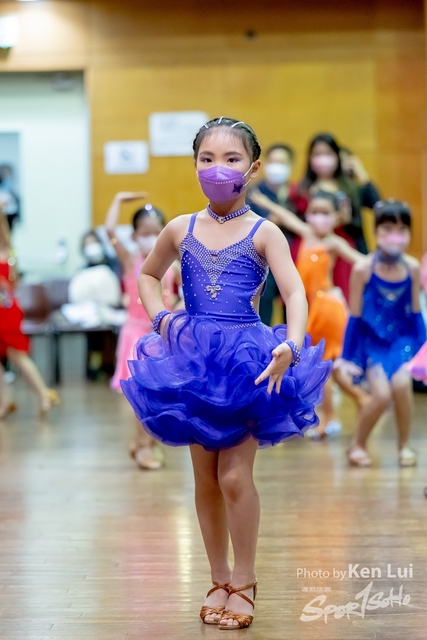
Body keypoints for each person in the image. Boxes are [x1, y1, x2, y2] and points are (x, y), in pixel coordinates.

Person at [121, 117, 331, 629]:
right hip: (193, 361)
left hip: (247, 362)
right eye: (207, 159)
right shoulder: (180, 228)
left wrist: (292, 344)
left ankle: (245, 578)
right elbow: (148, 275)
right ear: (195, 164)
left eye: (231, 159)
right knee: (206, 479)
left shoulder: (265, 231)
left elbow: (294, 292)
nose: (218, 169)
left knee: (234, 476)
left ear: (252, 168)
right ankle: (217, 578)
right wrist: (162, 318)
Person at [250, 188, 367, 438]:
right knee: (330, 367)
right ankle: (361, 399)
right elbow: (286, 217)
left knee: (322, 364)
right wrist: (265, 201)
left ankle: (329, 418)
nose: (318, 218)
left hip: (328, 307)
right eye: (314, 212)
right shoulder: (306, 233)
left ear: (336, 217)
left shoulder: (333, 243)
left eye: (325, 213)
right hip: (314, 307)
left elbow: (360, 260)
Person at [337, 200, 426, 467]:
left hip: (401, 341)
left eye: (402, 230)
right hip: (372, 342)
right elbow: (354, 317)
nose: (395, 236)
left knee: (402, 386)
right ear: (376, 231)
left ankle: (404, 445)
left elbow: (415, 314)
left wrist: (423, 351)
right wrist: (347, 358)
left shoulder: (412, 268)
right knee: (382, 395)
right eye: (388, 229)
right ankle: (357, 444)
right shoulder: (363, 269)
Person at [105, 193, 180, 470]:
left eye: (156, 232)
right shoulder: (130, 261)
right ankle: (144, 446)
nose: (150, 238)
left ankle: (144, 443)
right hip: (136, 336)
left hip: (163, 335)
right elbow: (110, 230)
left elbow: (186, 293)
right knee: (143, 395)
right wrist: (118, 199)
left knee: (161, 395)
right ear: (135, 236)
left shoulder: (173, 265)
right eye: (145, 233)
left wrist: (177, 309)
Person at [290, 133, 375, 300]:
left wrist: (344, 218)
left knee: (343, 296)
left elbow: (372, 207)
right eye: (318, 154)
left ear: (337, 156)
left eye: (328, 153)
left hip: (341, 247)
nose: (323, 159)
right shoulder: (301, 188)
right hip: (309, 247)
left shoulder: (350, 187)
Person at [0, 202, 59, 418]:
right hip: (5, 307)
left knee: (17, 354)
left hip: (5, 311)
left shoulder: (6, 250)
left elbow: (4, 232)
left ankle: (43, 393)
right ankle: (5, 401)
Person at [248, 143, 296, 325]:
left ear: (290, 165)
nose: (276, 167)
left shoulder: (296, 194)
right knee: (263, 310)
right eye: (273, 161)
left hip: (293, 259)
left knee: (291, 309)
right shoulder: (254, 194)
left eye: (282, 162)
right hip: (263, 262)